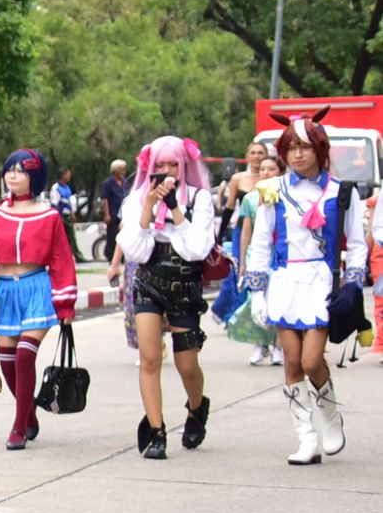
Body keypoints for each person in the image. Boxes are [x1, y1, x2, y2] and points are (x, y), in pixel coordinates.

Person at [241, 116, 368, 464]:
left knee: (312, 360)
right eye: (291, 147)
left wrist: (353, 285)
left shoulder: (342, 191)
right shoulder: (272, 190)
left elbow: (357, 243)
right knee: (292, 362)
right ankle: (306, 439)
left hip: (322, 281)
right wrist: (256, 292)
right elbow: (262, 242)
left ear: (319, 149)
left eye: (305, 147)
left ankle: (329, 415)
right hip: (285, 281)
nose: (297, 154)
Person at [117, 135, 218, 459]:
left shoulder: (199, 198)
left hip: (184, 285)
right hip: (148, 282)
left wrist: (174, 208)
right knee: (150, 358)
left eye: (173, 164)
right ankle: (156, 430)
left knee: (187, 364)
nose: (166, 170)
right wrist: (148, 207)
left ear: (184, 164)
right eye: (159, 164)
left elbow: (197, 249)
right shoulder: (136, 200)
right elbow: (135, 250)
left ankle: (197, 408)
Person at [0, 149, 78, 451]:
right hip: (5, 292)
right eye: (9, 169)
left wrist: (66, 304)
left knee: (24, 356)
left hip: (37, 289)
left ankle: (19, 427)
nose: (12, 175)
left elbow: (61, 259)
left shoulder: (49, 215)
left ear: (35, 176)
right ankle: (29, 413)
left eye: (20, 170)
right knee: (7, 365)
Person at [222, 147, 280, 366]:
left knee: (276, 299)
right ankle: (260, 344)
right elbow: (246, 231)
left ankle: (277, 346)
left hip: (279, 255)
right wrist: (242, 262)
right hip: (256, 253)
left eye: (271, 168)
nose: (266, 172)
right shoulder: (250, 199)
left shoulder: (286, 195)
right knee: (254, 300)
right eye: (263, 169)